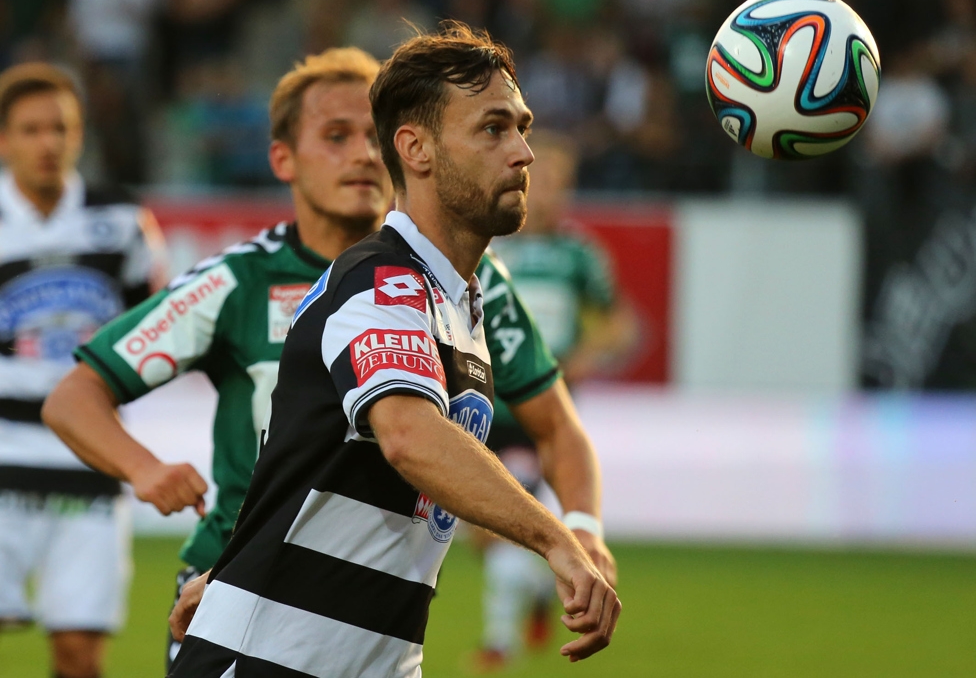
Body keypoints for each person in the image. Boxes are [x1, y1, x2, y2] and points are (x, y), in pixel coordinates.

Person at [42, 42, 616, 672]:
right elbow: (409, 436)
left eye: (522, 128)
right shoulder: (350, 281)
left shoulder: (470, 292)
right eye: (493, 128)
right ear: (415, 148)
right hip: (272, 644)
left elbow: (547, 429)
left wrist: (584, 523)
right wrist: (556, 539)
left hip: (360, 640)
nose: (524, 153)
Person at [0, 62, 164, 678]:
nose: (48, 143)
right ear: (4, 140)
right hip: (2, 455)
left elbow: (151, 326)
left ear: (79, 134)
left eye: (60, 128)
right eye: (31, 129)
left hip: (89, 457)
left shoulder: (121, 219)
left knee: (80, 655)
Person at [476, 129, 636, 665]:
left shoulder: (579, 254)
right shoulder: (486, 248)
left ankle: (499, 646)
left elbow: (622, 324)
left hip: (541, 410)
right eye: (539, 177)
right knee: (484, 529)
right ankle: (545, 591)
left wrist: (587, 355)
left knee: (500, 528)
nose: (546, 192)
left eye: (559, 183)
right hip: (486, 405)